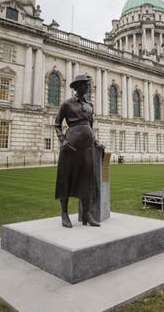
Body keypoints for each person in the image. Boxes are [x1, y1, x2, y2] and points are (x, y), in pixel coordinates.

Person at [54, 74, 104, 228]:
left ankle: (86, 214)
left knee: (87, 179)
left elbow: (90, 125)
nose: (87, 87)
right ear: (77, 87)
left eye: (87, 85)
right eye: (85, 84)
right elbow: (57, 124)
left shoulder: (90, 105)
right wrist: (63, 141)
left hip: (87, 146)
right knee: (66, 177)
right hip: (71, 145)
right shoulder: (67, 104)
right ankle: (64, 214)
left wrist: (96, 141)